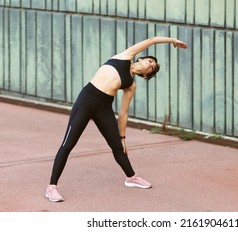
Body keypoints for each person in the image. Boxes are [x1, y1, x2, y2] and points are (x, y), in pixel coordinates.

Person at [45, 36, 188, 202]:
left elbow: (123, 113)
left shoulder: (131, 85)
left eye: (152, 68)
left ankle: (131, 178)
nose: (150, 65)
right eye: (150, 61)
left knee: (118, 147)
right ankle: (52, 187)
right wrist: (172, 40)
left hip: (104, 108)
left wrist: (123, 137)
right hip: (86, 101)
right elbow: (152, 40)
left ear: (146, 74)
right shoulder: (124, 56)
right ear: (141, 58)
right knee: (68, 144)